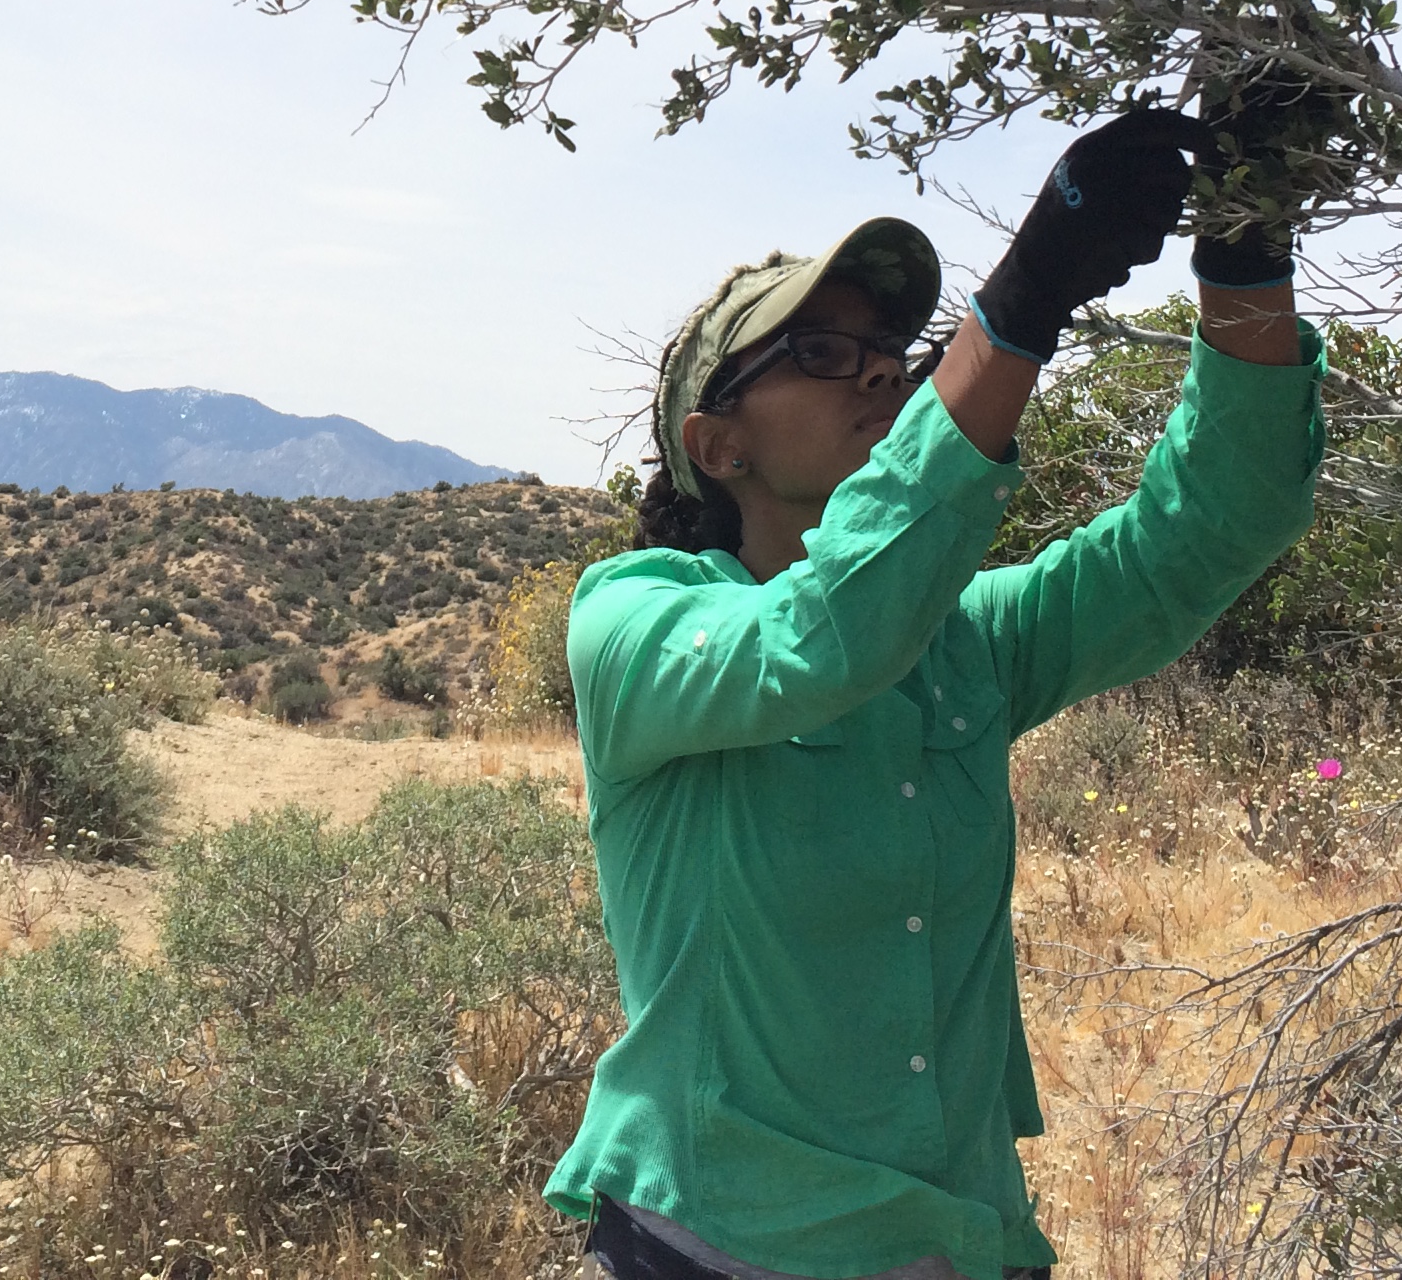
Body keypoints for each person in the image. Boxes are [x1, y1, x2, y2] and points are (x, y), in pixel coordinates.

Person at [549, 100, 1328, 1280]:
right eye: (817, 353)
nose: (872, 370)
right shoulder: (634, 621)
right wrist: (1014, 309)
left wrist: (1245, 257)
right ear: (718, 446)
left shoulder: (964, 640)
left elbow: (1217, 520)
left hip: (961, 1242)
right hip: (725, 1245)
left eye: (888, 354)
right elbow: (819, 637)